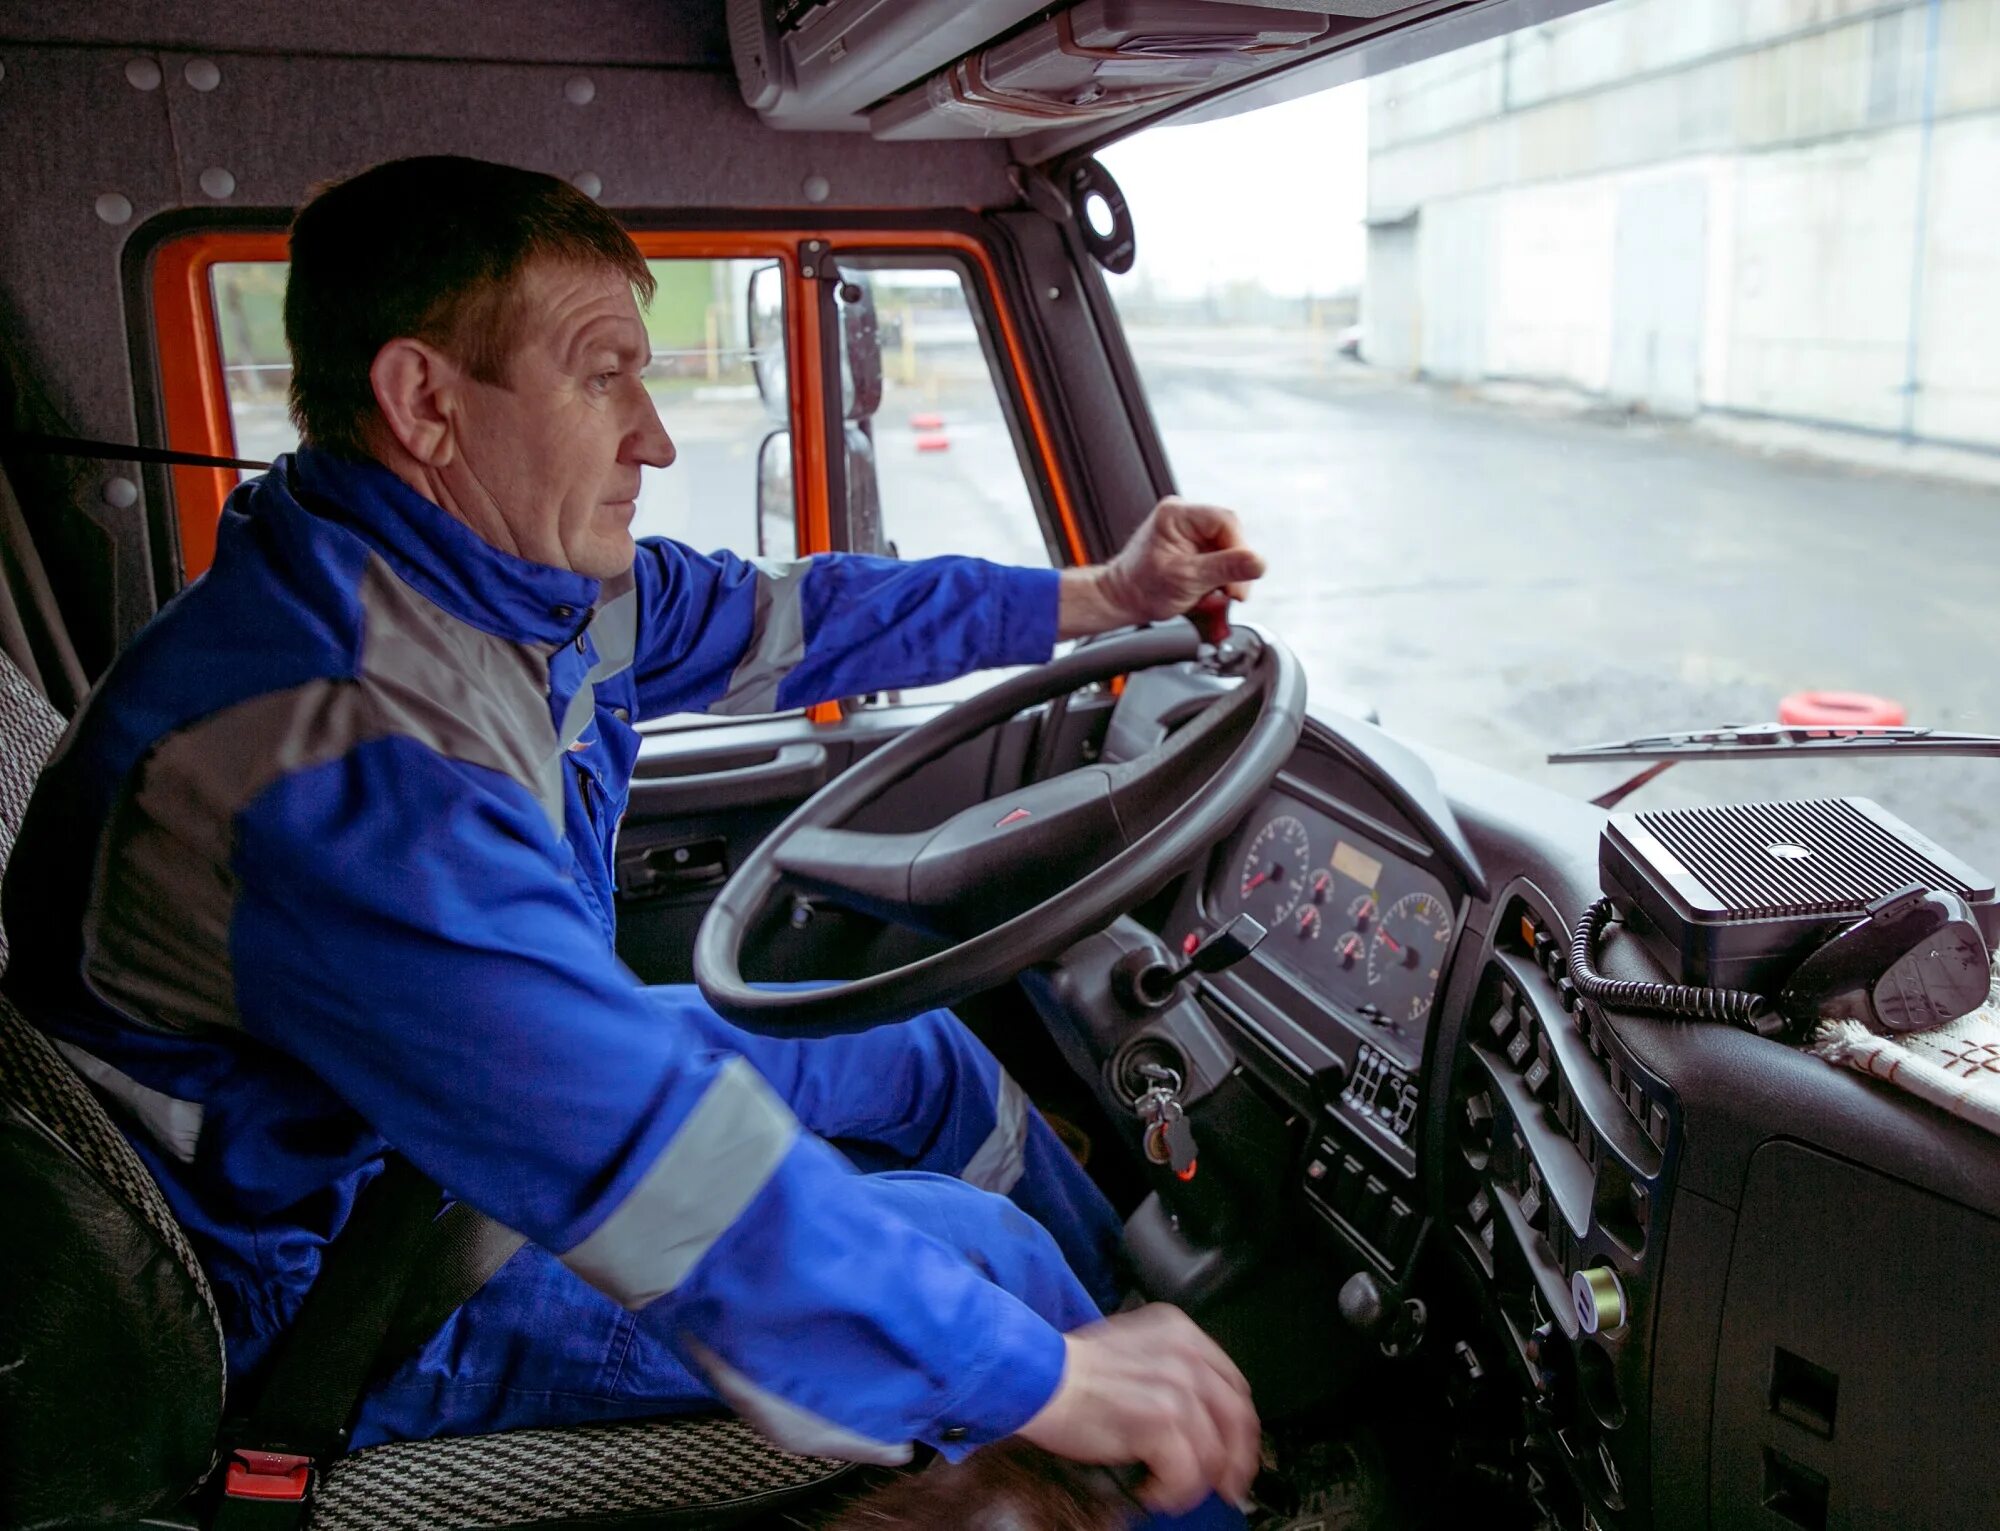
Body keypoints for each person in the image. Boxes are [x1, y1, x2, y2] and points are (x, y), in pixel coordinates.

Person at [1, 156, 1265, 1519]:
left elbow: (810, 617)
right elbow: (641, 1159)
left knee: (915, 1053)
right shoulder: (336, 755)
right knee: (987, 1274)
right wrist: (1040, 1377)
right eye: (603, 374)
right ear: (425, 402)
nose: (655, 434)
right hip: (332, 1267)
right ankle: (1190, 1477)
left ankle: (1145, 1343)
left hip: (408, 1117)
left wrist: (1104, 594)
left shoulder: (493, 583)